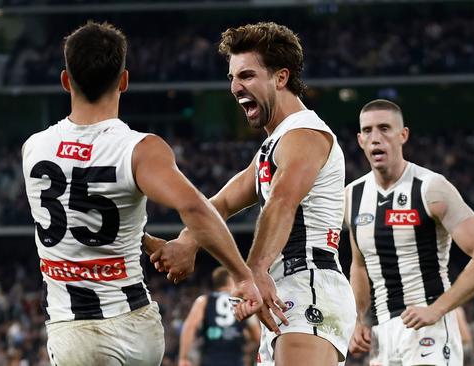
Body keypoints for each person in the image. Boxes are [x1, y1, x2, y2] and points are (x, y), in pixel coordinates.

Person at [22, 21, 262, 366]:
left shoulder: (34, 148)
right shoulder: (140, 149)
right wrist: (241, 274)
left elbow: (77, 218)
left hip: (74, 331)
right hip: (135, 325)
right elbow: (194, 207)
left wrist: (144, 239)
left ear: (65, 80)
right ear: (124, 81)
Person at [151, 22, 356, 366]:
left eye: (246, 75)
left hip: (308, 284)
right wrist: (187, 240)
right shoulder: (272, 145)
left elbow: (282, 202)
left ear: (280, 77)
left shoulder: (305, 134)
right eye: (232, 77)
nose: (235, 87)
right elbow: (223, 202)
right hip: (284, 291)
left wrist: (255, 270)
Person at [345, 99, 474, 365]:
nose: (376, 138)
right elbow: (359, 266)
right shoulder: (352, 196)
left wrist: (437, 309)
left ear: (403, 135)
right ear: (360, 140)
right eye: (368, 131)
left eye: (384, 128)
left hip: (430, 329)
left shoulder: (431, 188)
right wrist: (358, 319)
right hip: (383, 333)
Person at [178, 267, 261, 366]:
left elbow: (189, 326)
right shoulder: (241, 302)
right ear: (231, 281)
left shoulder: (203, 301)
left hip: (210, 360)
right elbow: (257, 336)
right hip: (236, 361)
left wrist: (183, 357)